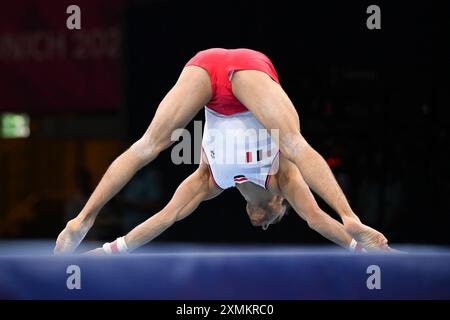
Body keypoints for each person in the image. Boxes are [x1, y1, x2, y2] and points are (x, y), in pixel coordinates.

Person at [54, 48, 389, 254]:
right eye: (275, 218)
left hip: (207, 74)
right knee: (293, 144)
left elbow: (165, 217)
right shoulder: (284, 177)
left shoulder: (210, 181)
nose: (265, 225)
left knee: (148, 147)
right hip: (247, 72)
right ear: (278, 202)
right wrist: (356, 238)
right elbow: (315, 219)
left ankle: (81, 225)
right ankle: (81, 221)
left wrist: (112, 251)